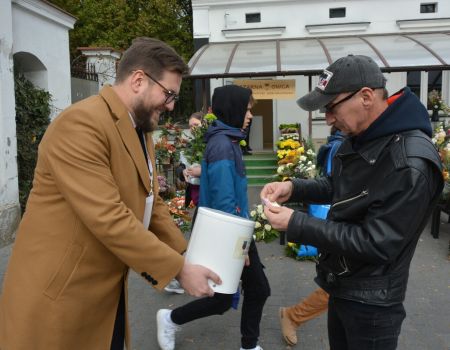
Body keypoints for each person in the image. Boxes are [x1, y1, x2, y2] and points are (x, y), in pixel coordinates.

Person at [0, 37, 221, 350]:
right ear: (138, 80)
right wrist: (180, 271)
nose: (171, 105)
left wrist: (188, 256)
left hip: (103, 296)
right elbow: (109, 218)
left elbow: (151, 202)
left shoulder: (139, 129)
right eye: (168, 94)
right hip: (59, 301)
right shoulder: (80, 124)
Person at [262, 54, 443, 350]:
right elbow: (341, 186)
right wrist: (293, 188)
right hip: (345, 287)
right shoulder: (368, 136)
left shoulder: (409, 162)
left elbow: (376, 243)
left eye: (332, 107)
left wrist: (296, 223)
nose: (329, 118)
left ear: (366, 97)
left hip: (373, 304)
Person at [156, 85, 271, 350]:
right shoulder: (222, 144)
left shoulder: (226, 140)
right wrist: (240, 247)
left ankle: (173, 320)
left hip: (232, 230)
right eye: (247, 109)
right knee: (238, 293)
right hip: (230, 233)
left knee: (236, 294)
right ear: (234, 109)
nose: (250, 115)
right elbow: (223, 201)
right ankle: (172, 319)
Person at [279, 126, 345, 346]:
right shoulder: (341, 146)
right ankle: (293, 316)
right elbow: (334, 185)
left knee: (339, 286)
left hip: (342, 222)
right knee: (337, 285)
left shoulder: (338, 144)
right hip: (341, 222)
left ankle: (293, 316)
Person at [165, 112, 204, 295]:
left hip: (206, 198)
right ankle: (180, 276)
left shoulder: (208, 144)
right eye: (191, 125)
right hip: (197, 195)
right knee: (196, 238)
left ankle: (180, 276)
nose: (193, 128)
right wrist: (184, 173)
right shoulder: (189, 145)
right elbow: (181, 168)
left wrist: (201, 171)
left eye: (196, 125)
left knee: (197, 239)